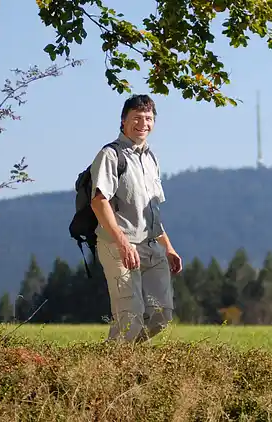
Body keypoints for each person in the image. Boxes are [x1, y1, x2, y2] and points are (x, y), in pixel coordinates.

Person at [90, 94, 182, 342]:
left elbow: (151, 212)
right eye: (137, 118)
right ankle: (110, 369)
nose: (143, 123)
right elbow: (99, 202)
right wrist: (122, 242)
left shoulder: (152, 159)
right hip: (118, 245)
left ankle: (125, 358)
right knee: (130, 317)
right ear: (123, 121)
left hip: (151, 246)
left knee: (162, 316)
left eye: (149, 118)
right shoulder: (110, 155)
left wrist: (169, 248)